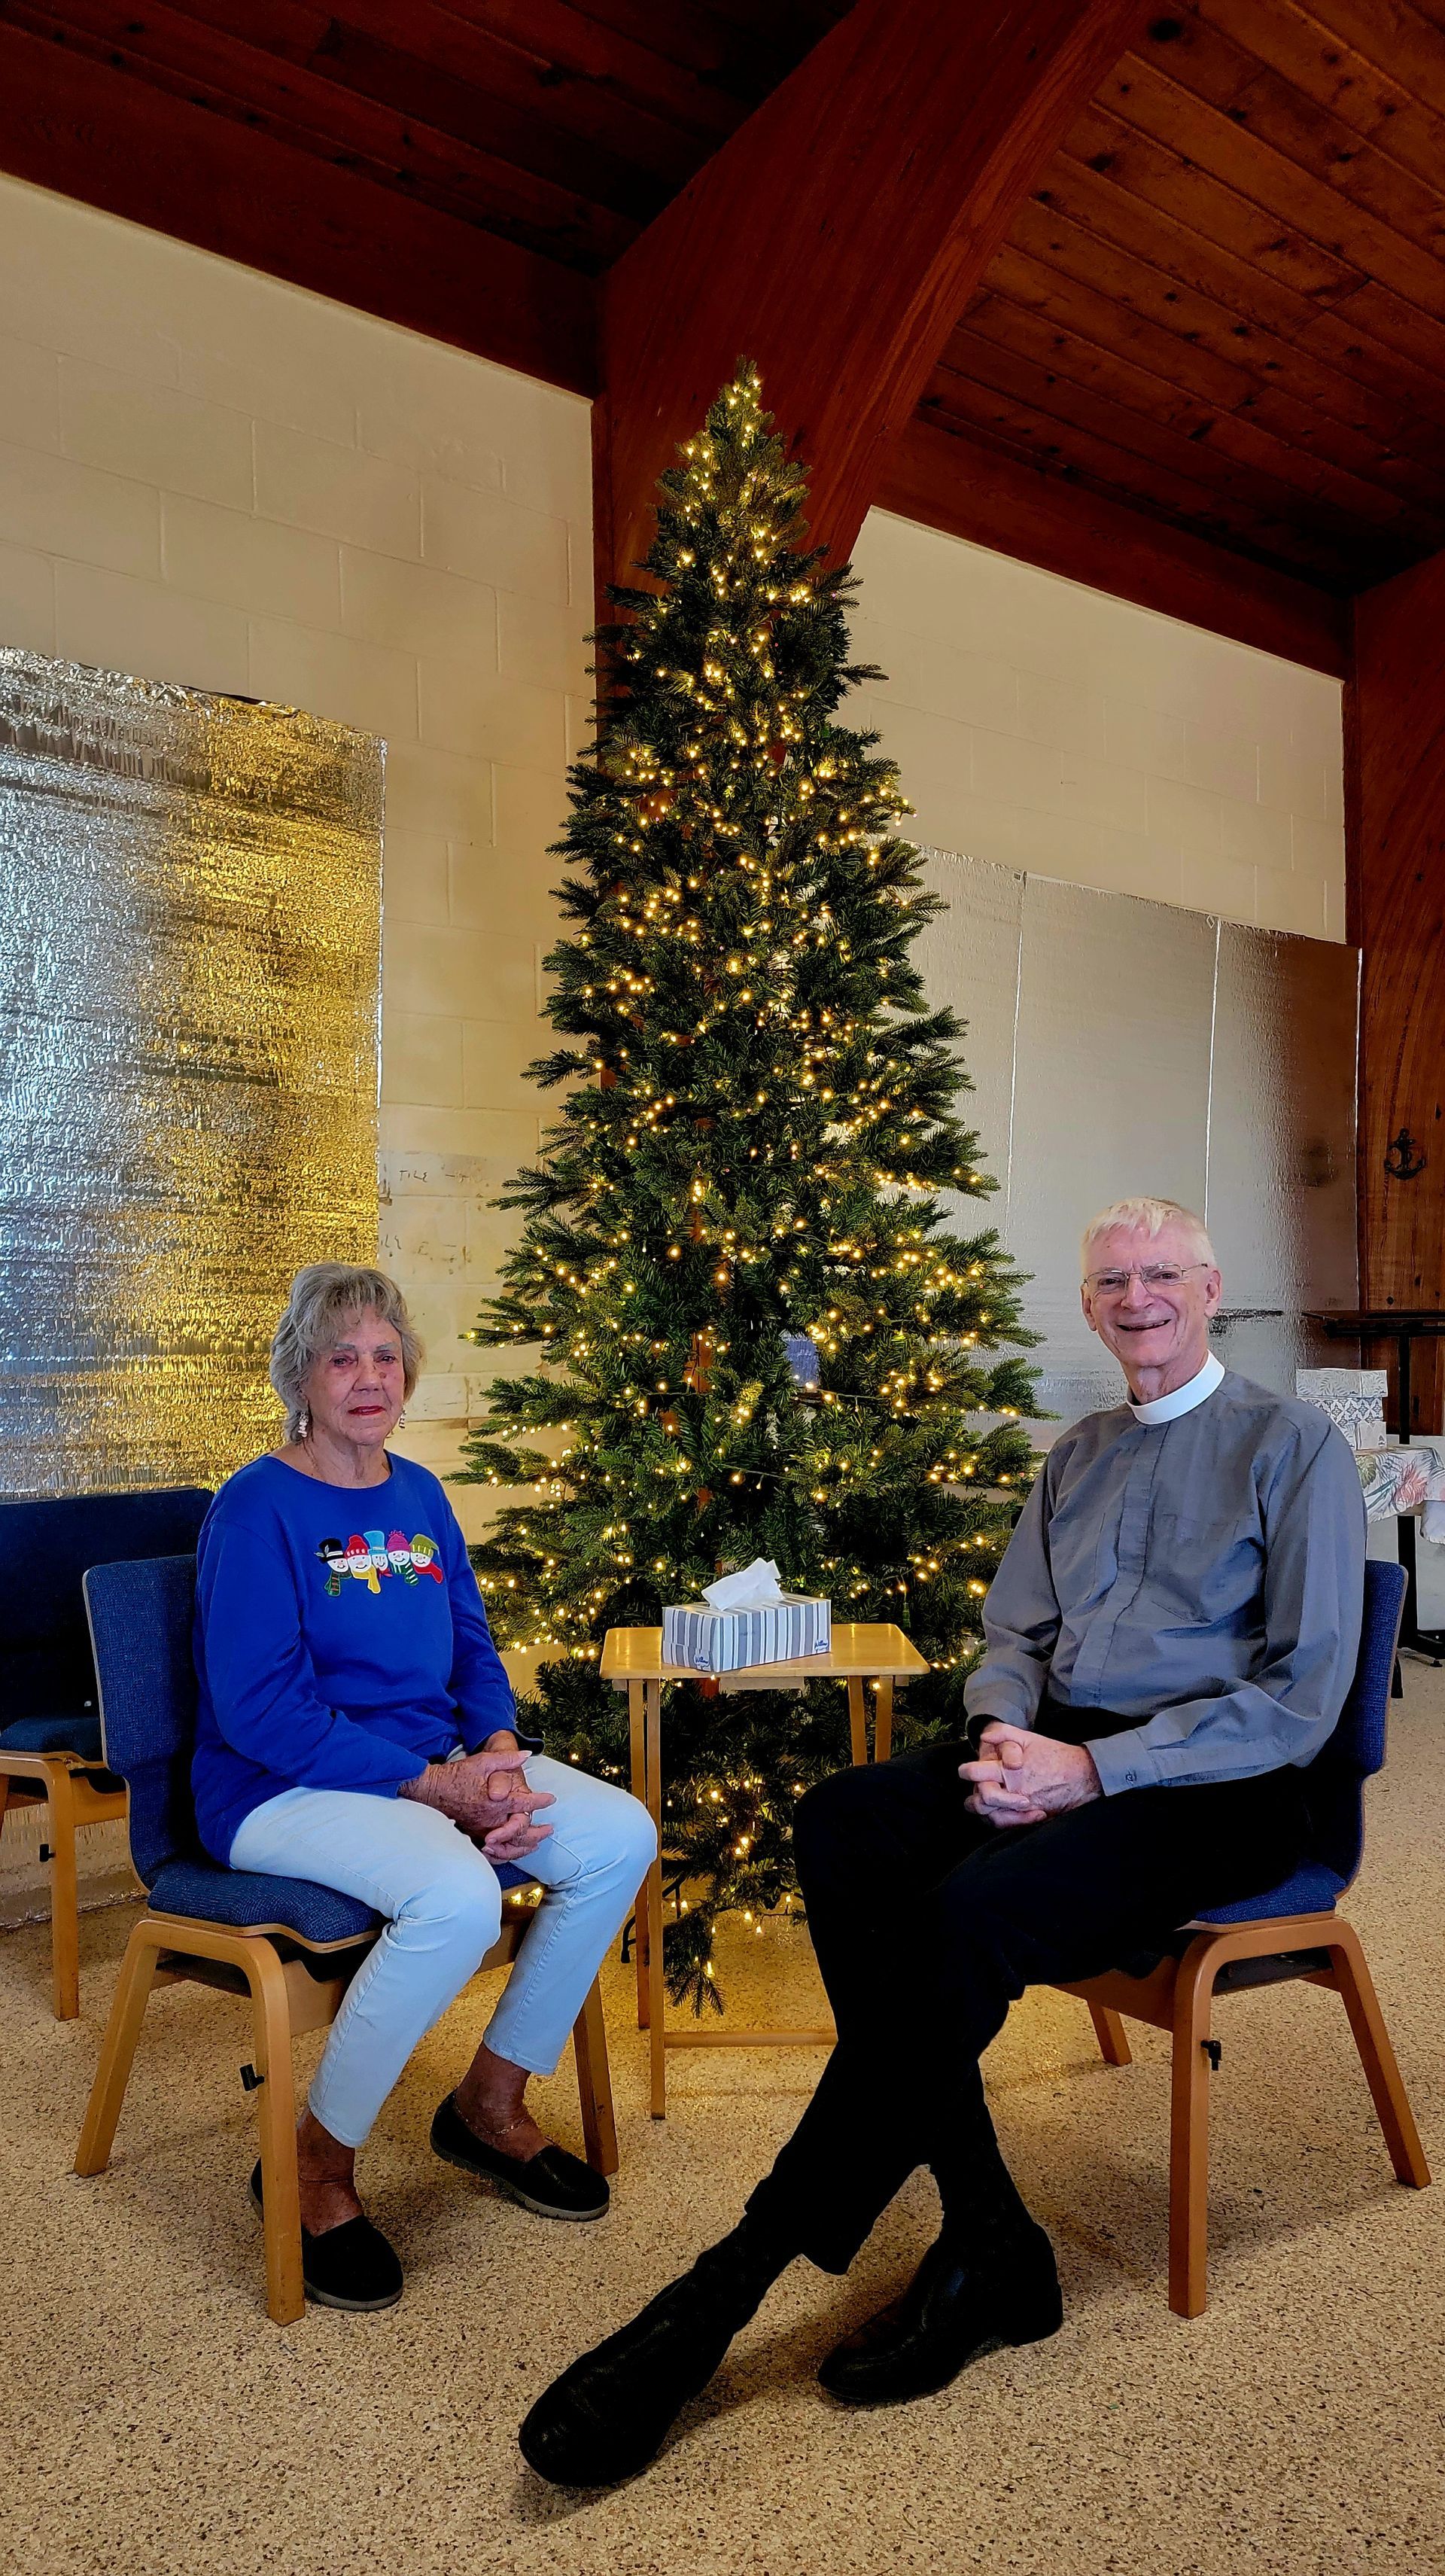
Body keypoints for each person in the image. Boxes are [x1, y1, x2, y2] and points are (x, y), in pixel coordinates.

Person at [519, 1196, 1365, 2483]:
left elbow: (1302, 1698)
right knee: (846, 1818)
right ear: (1089, 1307)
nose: (1135, 1298)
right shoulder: (1077, 1452)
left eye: (1160, 1275)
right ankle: (989, 2232)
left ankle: (728, 2285)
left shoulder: (1291, 1445)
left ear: (1210, 1288)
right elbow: (1012, 1640)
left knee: (964, 1915)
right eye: (1109, 1282)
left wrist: (1094, 1769)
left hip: (1219, 1778)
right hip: (1063, 1743)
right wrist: (1006, 1741)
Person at [192, 1262, 656, 2314]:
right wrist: (436, 1787)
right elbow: (261, 1711)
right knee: (457, 1894)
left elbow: (469, 1644)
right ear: (300, 1376)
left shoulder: (419, 1493)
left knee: (618, 1833)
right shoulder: (255, 1507)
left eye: (385, 1355)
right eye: (341, 1356)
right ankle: (312, 2163)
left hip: (430, 1764)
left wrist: (493, 1750)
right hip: (278, 1788)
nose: (368, 1376)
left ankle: (489, 2103)